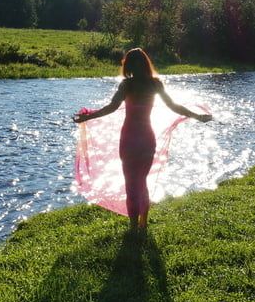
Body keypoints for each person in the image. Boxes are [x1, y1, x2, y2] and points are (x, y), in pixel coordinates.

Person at [73, 48, 212, 234]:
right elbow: (174, 106)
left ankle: (133, 227)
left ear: (128, 65)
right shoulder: (154, 84)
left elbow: (111, 108)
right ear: (146, 64)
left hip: (130, 138)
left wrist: (88, 117)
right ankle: (143, 225)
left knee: (131, 183)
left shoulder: (127, 86)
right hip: (147, 137)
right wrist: (197, 116)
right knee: (142, 182)